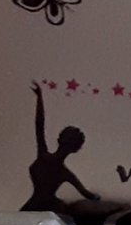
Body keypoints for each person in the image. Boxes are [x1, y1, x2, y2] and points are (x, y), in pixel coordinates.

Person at [24, 82, 101, 213]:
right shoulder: (61, 170)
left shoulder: (54, 164)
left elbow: (89, 195)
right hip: (40, 209)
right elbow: (39, 124)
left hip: (44, 210)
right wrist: (39, 97)